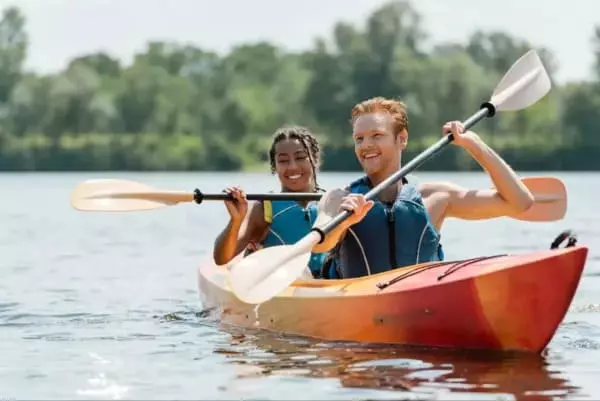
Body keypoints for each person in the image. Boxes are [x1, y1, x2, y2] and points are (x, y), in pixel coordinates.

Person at [313, 96, 535, 279]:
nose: (366, 145)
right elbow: (319, 245)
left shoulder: (436, 197)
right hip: (358, 303)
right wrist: (343, 224)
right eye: (359, 139)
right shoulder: (339, 198)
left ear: (402, 139)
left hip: (421, 302)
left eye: (377, 135)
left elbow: (520, 202)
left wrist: (474, 144)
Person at [213, 125, 329, 278]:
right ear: (274, 167)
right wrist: (236, 220)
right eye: (283, 161)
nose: (292, 166)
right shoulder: (264, 207)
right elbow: (221, 259)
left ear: (315, 160)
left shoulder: (332, 203)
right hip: (279, 285)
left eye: (300, 157)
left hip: (326, 283)